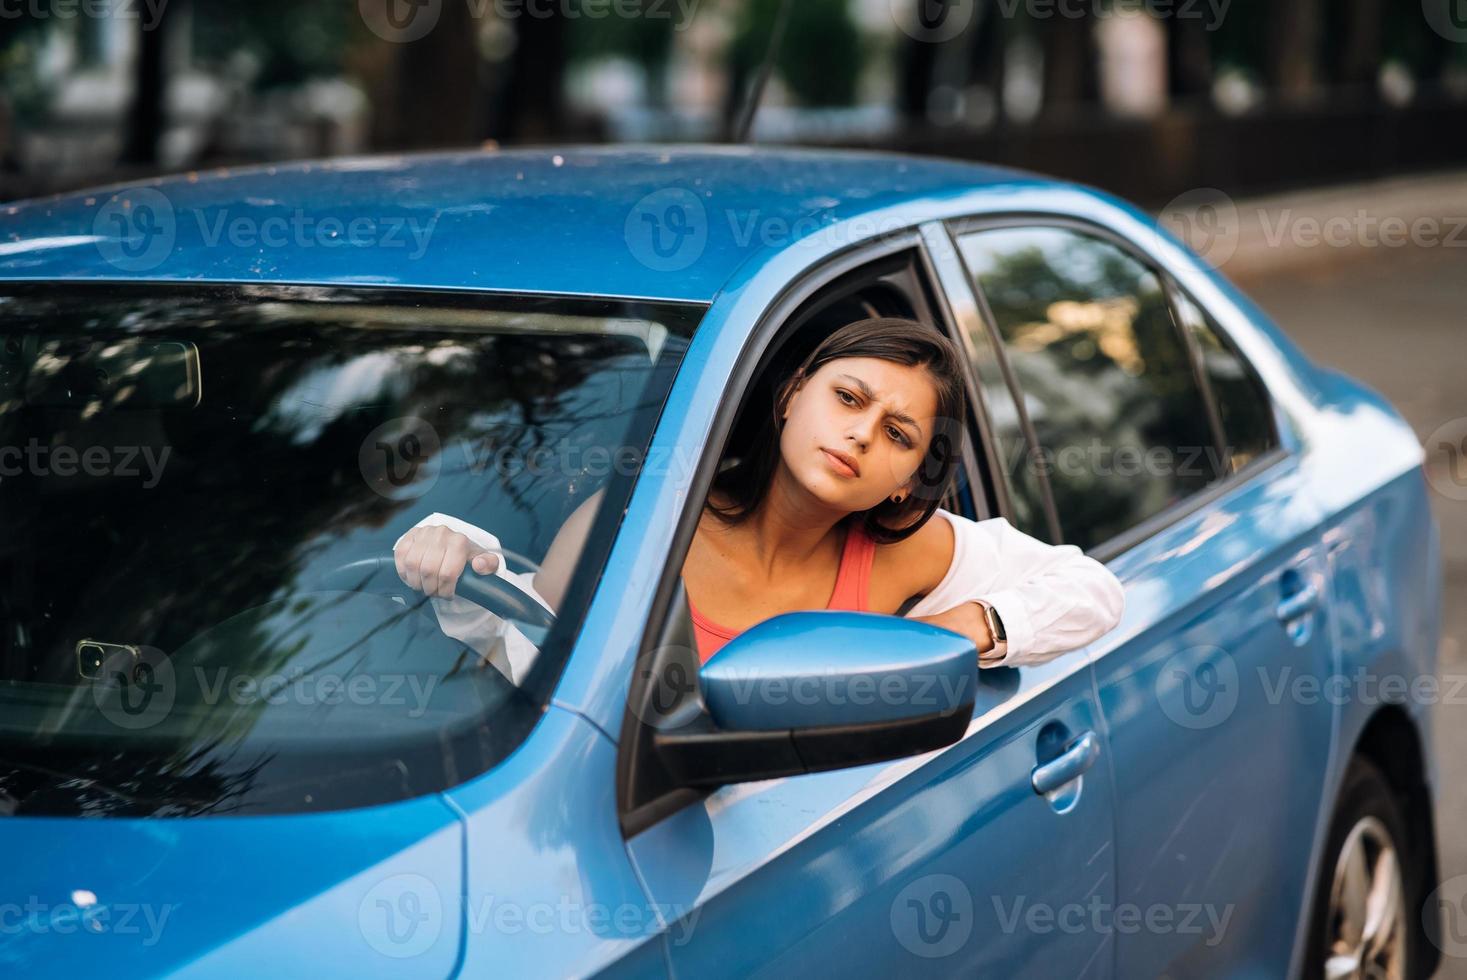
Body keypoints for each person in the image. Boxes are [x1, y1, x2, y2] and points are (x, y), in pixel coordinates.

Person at [393, 317, 1124, 682]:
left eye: (897, 432)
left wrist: (958, 633)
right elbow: (531, 665)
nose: (861, 434)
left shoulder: (911, 549)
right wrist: (456, 567)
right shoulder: (632, 525)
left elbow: (1092, 589)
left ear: (906, 478)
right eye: (847, 397)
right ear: (791, 395)